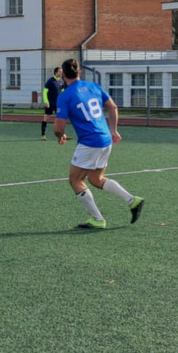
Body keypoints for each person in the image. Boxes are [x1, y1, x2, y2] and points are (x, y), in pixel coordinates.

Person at [54, 58, 144, 229]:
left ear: (63, 74)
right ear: (79, 72)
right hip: (105, 140)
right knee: (96, 179)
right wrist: (113, 130)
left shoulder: (65, 96)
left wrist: (60, 135)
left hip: (90, 143)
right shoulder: (94, 86)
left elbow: (58, 127)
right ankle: (133, 201)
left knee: (75, 180)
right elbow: (113, 107)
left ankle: (97, 219)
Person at [41, 66, 65, 140]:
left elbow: (62, 92)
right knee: (46, 118)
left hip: (58, 104)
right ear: (56, 72)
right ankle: (43, 135)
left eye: (62, 71)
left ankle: (62, 135)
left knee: (60, 119)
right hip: (50, 103)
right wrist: (46, 101)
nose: (61, 73)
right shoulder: (50, 81)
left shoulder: (61, 81)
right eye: (60, 71)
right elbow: (45, 92)